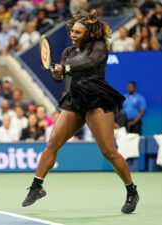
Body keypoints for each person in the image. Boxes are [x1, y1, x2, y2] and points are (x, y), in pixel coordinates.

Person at [21, 10, 139, 214]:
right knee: (52, 143)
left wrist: (65, 69)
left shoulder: (99, 46)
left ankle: (131, 191)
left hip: (97, 99)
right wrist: (58, 73)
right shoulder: (67, 52)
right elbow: (61, 78)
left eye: (77, 32)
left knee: (108, 152)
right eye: (72, 31)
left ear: (89, 33)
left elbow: (90, 64)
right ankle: (36, 187)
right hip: (76, 100)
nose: (73, 35)